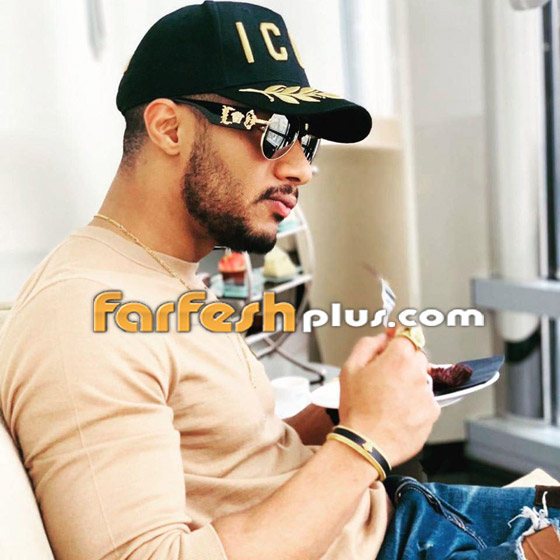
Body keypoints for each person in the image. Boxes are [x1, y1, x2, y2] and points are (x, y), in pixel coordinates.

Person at [0, 3, 558, 560]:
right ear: (169, 128)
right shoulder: (83, 319)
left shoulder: (160, 274)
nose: (302, 169)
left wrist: (351, 409)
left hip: (399, 516)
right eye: (274, 131)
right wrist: (367, 441)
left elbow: (233, 462)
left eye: (306, 141)